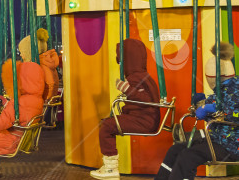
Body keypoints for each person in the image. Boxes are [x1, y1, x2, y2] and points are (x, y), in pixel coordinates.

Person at [154, 43, 239, 180]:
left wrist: (212, 108)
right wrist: (199, 105)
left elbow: (230, 110)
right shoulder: (220, 92)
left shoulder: (235, 90)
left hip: (232, 145)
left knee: (188, 156)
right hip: (217, 140)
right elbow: (212, 106)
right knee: (176, 150)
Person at [90, 39, 160, 179]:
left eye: (121, 61)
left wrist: (126, 89)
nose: (121, 64)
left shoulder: (136, 78)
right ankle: (109, 166)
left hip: (143, 120)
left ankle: (110, 168)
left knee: (107, 126)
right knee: (109, 122)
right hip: (144, 118)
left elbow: (145, 99)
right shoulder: (144, 76)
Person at [18, 28, 61, 100]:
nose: (20, 55)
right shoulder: (47, 63)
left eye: (22, 52)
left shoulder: (37, 66)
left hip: (38, 106)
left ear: (29, 52)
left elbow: (31, 90)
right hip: (46, 103)